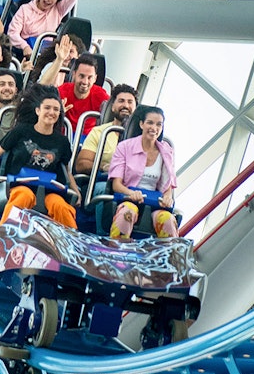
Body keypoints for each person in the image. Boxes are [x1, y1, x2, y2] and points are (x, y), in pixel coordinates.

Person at [0, 85, 81, 229]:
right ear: (38, 110)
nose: (51, 112)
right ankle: (3, 235)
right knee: (24, 196)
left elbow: (66, 170)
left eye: (56, 110)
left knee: (60, 206)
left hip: (50, 190)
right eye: (47, 108)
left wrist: (75, 191)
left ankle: (72, 245)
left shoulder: (62, 141)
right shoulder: (21, 131)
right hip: (20, 185)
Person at [108, 106, 178, 239]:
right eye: (150, 123)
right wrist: (131, 193)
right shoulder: (125, 147)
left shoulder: (166, 151)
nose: (154, 128)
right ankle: (116, 253)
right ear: (141, 124)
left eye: (159, 124)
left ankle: (167, 258)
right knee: (127, 213)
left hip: (155, 202)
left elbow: (168, 186)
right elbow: (116, 185)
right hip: (128, 198)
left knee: (168, 219)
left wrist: (168, 197)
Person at [39, 36, 108, 135]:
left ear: (95, 79)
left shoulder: (101, 95)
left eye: (89, 78)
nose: (85, 81)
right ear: (74, 74)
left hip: (87, 141)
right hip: (62, 135)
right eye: (81, 76)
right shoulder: (63, 91)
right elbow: (41, 88)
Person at [74, 84, 137, 174]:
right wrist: (104, 166)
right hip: (104, 181)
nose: (126, 105)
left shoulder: (142, 137)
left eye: (130, 102)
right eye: (121, 101)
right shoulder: (99, 132)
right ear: (112, 107)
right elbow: (81, 164)